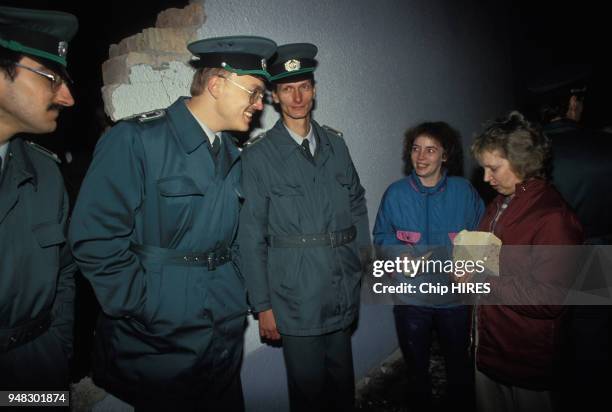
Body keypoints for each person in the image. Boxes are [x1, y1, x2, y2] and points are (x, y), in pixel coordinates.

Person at [69, 36, 277, 410]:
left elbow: (235, 238)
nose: (260, 105)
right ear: (216, 84)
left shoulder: (232, 153)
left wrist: (240, 288)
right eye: (255, 92)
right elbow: (95, 239)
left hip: (223, 334)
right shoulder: (137, 140)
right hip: (156, 344)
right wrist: (144, 304)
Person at [238, 43, 370, 411]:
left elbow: (357, 202)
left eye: (304, 86)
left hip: (342, 285)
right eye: (286, 89)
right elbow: (250, 235)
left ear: (314, 90)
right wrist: (263, 305)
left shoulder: (336, 144)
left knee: (343, 385)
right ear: (275, 97)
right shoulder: (259, 156)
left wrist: (363, 263)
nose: (297, 97)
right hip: (295, 296)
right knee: (309, 392)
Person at [470, 111, 583, 412]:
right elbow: (492, 255)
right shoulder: (501, 200)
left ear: (522, 163)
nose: (485, 178)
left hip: (524, 357)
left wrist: (479, 280)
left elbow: (549, 298)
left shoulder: (554, 218)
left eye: (493, 168)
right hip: (491, 342)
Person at [372, 122, 484, 410]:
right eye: (416, 149)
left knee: (459, 369)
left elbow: (482, 233)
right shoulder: (395, 194)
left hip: (455, 300)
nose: (421, 157)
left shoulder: (464, 191)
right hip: (411, 298)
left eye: (430, 150)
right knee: (416, 370)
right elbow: (382, 236)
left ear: (445, 156)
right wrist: (399, 256)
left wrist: (472, 265)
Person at [0, 6, 78, 390]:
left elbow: (64, 271)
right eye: (51, 78)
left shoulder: (45, 173)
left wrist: (55, 345)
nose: (67, 97)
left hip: (37, 377)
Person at [530, 65, 612, 411]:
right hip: (598, 254)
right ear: (573, 104)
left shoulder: (525, 158)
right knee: (594, 343)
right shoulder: (604, 146)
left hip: (544, 258)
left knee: (547, 338)